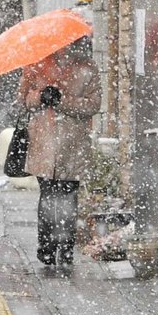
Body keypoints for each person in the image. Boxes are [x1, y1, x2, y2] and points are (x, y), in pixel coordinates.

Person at [18, 36, 101, 266]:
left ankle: (65, 248)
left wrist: (63, 100)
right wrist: (40, 97)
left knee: (68, 196)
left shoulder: (86, 67)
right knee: (48, 196)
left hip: (72, 145)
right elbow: (23, 99)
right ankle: (46, 246)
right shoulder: (36, 65)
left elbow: (93, 105)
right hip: (44, 142)